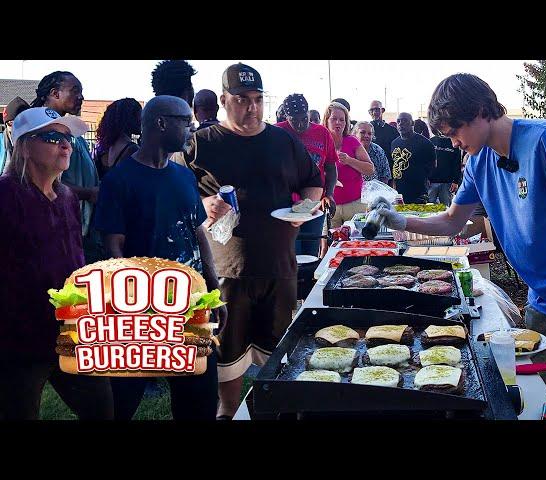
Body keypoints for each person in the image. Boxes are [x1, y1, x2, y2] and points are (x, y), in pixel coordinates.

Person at [373, 73, 546, 420]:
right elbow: (451, 221)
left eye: (454, 132)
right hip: (541, 297)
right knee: (543, 396)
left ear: (479, 112)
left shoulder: (543, 141)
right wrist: (401, 221)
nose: (454, 143)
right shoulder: (478, 161)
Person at [174, 63, 323, 419]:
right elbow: (175, 189)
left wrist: (304, 208)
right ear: (225, 100)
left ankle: (278, 410)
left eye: (257, 99)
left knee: (281, 353)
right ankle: (227, 412)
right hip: (226, 268)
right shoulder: (201, 143)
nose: (251, 107)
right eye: (242, 99)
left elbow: (312, 180)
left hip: (279, 266)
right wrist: (200, 203)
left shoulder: (283, 140)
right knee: (228, 355)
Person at [93, 95, 225, 420]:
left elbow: (198, 235)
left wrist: (214, 289)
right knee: (122, 403)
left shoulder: (182, 176)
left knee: (200, 402)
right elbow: (113, 248)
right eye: (185, 121)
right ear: (161, 123)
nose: (191, 129)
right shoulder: (119, 181)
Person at [0, 107, 114, 420]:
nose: (66, 145)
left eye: (69, 140)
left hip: (71, 333)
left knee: (102, 412)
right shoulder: (5, 196)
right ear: (24, 145)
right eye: (52, 137)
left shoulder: (66, 197)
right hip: (18, 342)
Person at [31, 71, 102, 263]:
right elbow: (42, 183)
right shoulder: (43, 130)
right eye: (75, 91)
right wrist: (88, 193)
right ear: (55, 93)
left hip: (77, 225)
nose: (81, 97)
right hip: (56, 227)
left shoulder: (71, 130)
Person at [276, 93, 338, 257]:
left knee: (311, 256)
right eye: (294, 120)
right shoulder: (276, 132)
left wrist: (330, 194)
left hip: (313, 205)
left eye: (304, 118)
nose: (300, 124)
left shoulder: (322, 133)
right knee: (292, 255)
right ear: (286, 116)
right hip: (285, 206)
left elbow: (331, 167)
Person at [323, 102, 374, 228]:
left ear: (346, 123)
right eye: (334, 119)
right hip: (328, 204)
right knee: (327, 245)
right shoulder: (321, 141)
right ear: (326, 120)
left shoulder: (352, 141)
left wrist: (349, 160)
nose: (338, 123)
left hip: (354, 205)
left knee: (356, 244)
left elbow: (370, 169)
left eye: (342, 119)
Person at [390, 112, 435, 204]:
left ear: (412, 123)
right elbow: (394, 164)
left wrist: (424, 181)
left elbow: (432, 165)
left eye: (405, 121)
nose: (401, 124)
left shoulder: (425, 143)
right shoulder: (394, 143)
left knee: (418, 217)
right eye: (398, 121)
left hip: (418, 193)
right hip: (399, 193)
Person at [94, 98, 141, 180]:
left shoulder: (104, 149)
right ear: (130, 119)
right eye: (139, 116)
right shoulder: (133, 150)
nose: (142, 120)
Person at [428, 133, 462, 206]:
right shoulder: (431, 141)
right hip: (431, 182)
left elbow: (457, 163)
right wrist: (425, 179)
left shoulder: (453, 142)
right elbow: (425, 162)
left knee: (446, 208)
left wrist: (456, 181)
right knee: (428, 208)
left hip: (447, 183)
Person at [368, 99, 399, 171]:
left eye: (377, 109)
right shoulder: (365, 130)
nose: (374, 112)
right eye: (372, 110)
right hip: (370, 172)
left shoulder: (392, 130)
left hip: (388, 172)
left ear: (382, 110)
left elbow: (396, 155)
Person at [1, 96, 30, 173]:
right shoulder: (1, 143)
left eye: (20, 124)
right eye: (11, 124)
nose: (15, 128)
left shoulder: (39, 144)